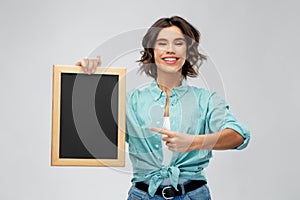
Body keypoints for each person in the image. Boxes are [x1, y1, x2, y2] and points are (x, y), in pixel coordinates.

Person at [76, 16, 250, 200]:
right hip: (142, 195)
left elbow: (239, 136)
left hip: (193, 195)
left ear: (188, 51)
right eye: (162, 43)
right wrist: (89, 81)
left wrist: (195, 142)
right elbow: (92, 131)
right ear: (151, 50)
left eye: (178, 43)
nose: (170, 50)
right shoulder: (132, 101)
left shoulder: (206, 100)